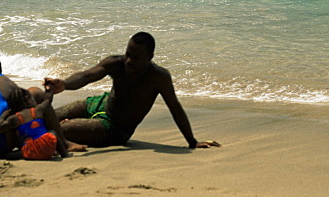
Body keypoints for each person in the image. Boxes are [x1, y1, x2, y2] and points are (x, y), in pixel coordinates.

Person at [46, 32, 220, 150]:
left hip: (115, 128)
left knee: (62, 130)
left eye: (135, 57)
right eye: (128, 54)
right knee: (47, 117)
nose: (128, 61)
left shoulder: (158, 77)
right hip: (99, 104)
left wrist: (192, 142)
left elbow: (175, 107)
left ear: (149, 58)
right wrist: (64, 84)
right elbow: (86, 76)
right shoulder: (115, 63)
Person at [0, 86, 75, 160]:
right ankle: (64, 154)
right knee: (52, 132)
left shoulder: (14, 118)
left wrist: (6, 113)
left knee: (8, 155)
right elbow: (47, 101)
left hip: (30, 152)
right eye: (32, 98)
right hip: (47, 147)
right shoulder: (37, 110)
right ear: (28, 99)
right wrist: (49, 90)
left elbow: (0, 127)